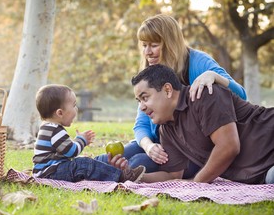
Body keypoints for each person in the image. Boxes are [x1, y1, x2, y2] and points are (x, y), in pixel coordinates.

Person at [95, 14, 247, 178]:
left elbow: (241, 96)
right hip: (160, 142)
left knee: (139, 163)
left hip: (192, 149)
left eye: (154, 45)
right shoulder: (150, 72)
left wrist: (214, 76)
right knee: (110, 158)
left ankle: (117, 174)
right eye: (144, 45)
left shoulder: (197, 62)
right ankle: (77, 168)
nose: (147, 52)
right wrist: (149, 147)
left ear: (170, 43)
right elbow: (141, 125)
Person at [131, 64, 274, 184]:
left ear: (167, 90)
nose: (142, 107)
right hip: (263, 174)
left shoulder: (205, 95)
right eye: (139, 101)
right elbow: (173, 176)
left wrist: (196, 183)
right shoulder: (166, 129)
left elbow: (228, 146)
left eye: (145, 97)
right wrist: (132, 177)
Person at [32, 84, 146, 183]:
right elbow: (72, 151)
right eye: (73, 105)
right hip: (51, 173)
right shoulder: (55, 130)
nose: (76, 109)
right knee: (83, 163)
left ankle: (112, 173)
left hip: (48, 171)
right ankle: (121, 176)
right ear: (60, 113)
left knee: (82, 163)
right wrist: (82, 140)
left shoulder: (48, 128)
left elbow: (63, 152)